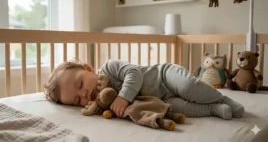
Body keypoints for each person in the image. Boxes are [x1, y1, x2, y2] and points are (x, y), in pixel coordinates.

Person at [44, 59, 245, 120]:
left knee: (189, 87)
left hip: (164, 76)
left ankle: (224, 100)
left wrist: (123, 97)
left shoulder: (109, 68)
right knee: (181, 108)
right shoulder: (100, 103)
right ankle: (213, 109)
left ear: (88, 69)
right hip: (160, 99)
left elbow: (135, 74)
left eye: (81, 85)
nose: (85, 94)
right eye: (78, 100)